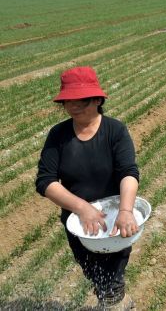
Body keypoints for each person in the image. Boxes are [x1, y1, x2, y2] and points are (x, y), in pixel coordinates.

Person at [36, 66, 139, 309]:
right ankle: (111, 296)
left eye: (80, 99)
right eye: (67, 100)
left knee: (113, 278)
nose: (72, 105)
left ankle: (116, 301)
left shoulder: (115, 131)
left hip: (115, 220)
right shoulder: (58, 135)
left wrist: (125, 211)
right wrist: (82, 208)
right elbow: (45, 181)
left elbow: (128, 173)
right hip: (77, 222)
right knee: (92, 271)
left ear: (96, 99)